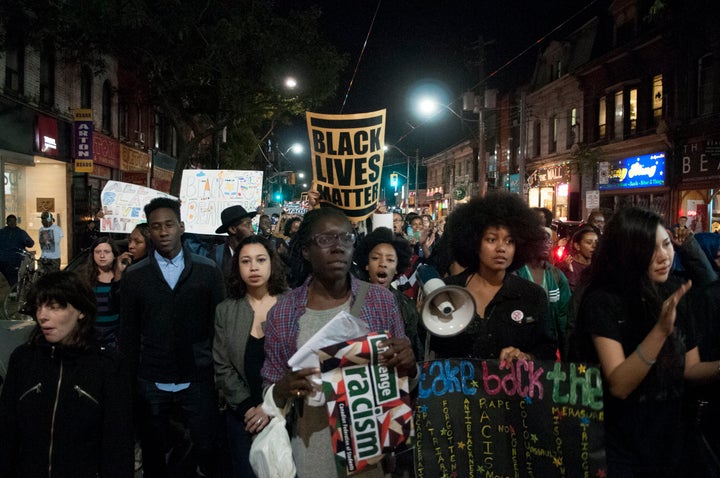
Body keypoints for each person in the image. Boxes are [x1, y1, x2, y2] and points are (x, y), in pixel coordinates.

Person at [262, 207, 416, 478]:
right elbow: (270, 391)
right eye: (325, 239)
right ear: (306, 250)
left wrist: (409, 365)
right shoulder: (283, 312)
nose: (338, 247)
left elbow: (404, 384)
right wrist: (282, 389)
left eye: (346, 238)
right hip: (311, 458)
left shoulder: (380, 301)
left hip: (373, 459)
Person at [573, 207, 720, 476]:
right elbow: (619, 384)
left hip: (673, 441)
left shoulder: (675, 289)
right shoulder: (603, 300)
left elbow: (690, 367)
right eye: (651, 250)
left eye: (666, 244)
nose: (664, 256)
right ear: (628, 254)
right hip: (621, 447)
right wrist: (661, 330)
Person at [120, 197, 226, 477]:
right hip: (151, 380)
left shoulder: (207, 271)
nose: (163, 232)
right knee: (155, 454)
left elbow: (219, 328)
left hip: (198, 378)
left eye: (169, 225)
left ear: (181, 226)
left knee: (205, 448)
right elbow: (128, 333)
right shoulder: (134, 276)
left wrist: (218, 376)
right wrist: (129, 382)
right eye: (156, 227)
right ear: (149, 231)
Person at [0, 270, 133, 477]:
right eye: (38, 307)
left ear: (80, 310)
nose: (42, 316)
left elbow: (117, 443)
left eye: (54, 307)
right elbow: (7, 431)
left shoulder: (107, 365)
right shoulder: (23, 359)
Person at [429, 192, 557, 362]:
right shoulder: (447, 292)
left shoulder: (532, 295)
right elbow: (431, 348)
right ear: (474, 242)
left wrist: (526, 357)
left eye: (509, 241)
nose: (501, 248)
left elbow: (547, 350)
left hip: (510, 387)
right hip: (457, 387)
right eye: (491, 239)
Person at [213, 235, 288, 477]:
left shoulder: (292, 304)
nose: (253, 267)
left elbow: (302, 360)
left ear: (272, 264)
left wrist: (271, 406)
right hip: (243, 415)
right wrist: (248, 408)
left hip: (287, 412)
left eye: (260, 260)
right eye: (245, 261)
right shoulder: (226, 310)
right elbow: (222, 366)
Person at [354, 226, 422, 360]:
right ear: (366, 265)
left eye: (390, 260)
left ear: (397, 268)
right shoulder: (353, 298)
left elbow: (416, 353)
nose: (383, 264)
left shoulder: (406, 305)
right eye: (375, 258)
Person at [516, 226, 572, 359]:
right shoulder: (516, 273)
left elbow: (564, 313)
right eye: (541, 240)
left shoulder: (556, 275)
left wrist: (565, 349)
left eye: (549, 241)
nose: (546, 244)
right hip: (521, 342)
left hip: (549, 343)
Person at [82, 237, 132, 352]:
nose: (102, 256)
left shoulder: (124, 275)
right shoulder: (85, 277)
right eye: (98, 252)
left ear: (114, 254)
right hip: (91, 337)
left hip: (116, 338)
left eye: (106, 252)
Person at [213, 205, 257, 283]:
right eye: (248, 225)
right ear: (233, 229)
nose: (252, 229)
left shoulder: (259, 252)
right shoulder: (216, 255)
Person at [557, 225, 598, 291]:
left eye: (596, 242)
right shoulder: (567, 265)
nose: (594, 246)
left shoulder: (598, 265)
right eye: (589, 242)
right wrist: (570, 272)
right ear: (577, 246)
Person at [0, 214, 35, 286]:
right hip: (6, 261)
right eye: (10, 221)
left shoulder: (20, 233)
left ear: (16, 222)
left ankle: (13, 293)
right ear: (7, 222)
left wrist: (26, 241)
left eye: (13, 221)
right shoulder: (2, 232)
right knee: (10, 282)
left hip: (12, 261)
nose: (12, 223)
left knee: (12, 281)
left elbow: (30, 243)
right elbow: (30, 244)